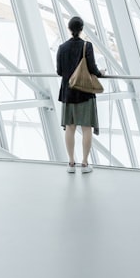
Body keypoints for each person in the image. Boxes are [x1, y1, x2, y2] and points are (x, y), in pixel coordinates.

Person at [56, 15, 105, 174]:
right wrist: (101, 73)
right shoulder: (87, 46)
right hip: (84, 93)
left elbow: (59, 71)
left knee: (70, 128)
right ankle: (84, 163)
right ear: (81, 29)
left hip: (68, 93)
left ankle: (71, 163)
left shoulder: (62, 47)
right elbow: (92, 68)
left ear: (70, 29)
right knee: (86, 129)